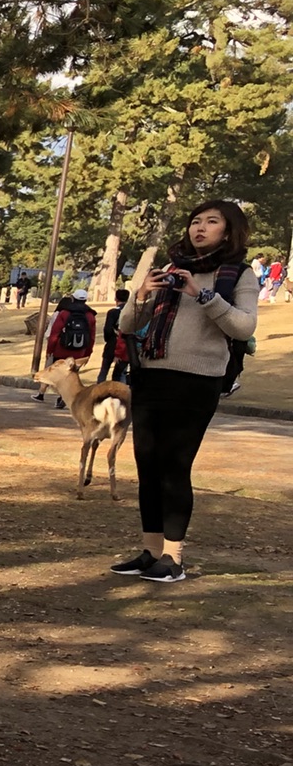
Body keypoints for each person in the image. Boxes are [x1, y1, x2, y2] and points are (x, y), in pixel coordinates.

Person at [110, 200, 259, 584]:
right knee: (147, 468)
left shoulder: (237, 275)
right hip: (151, 376)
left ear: (228, 231)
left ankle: (173, 558)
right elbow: (127, 324)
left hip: (196, 381)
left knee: (174, 468)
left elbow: (243, 327)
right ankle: (151, 551)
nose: (200, 228)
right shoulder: (170, 270)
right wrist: (141, 294)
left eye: (212, 222)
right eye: (196, 221)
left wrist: (203, 294)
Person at [35, 289, 94, 407]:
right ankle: (63, 398)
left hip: (61, 349)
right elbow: (91, 336)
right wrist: (87, 353)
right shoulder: (90, 315)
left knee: (59, 374)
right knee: (72, 375)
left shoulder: (65, 313)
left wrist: (50, 350)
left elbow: (55, 333)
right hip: (79, 351)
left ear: (73, 298)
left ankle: (61, 396)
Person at [96, 288, 133, 384]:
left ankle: (98, 393)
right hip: (126, 345)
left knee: (103, 371)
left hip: (112, 344)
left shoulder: (112, 312)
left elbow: (107, 329)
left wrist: (109, 339)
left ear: (116, 298)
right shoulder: (131, 311)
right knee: (121, 373)